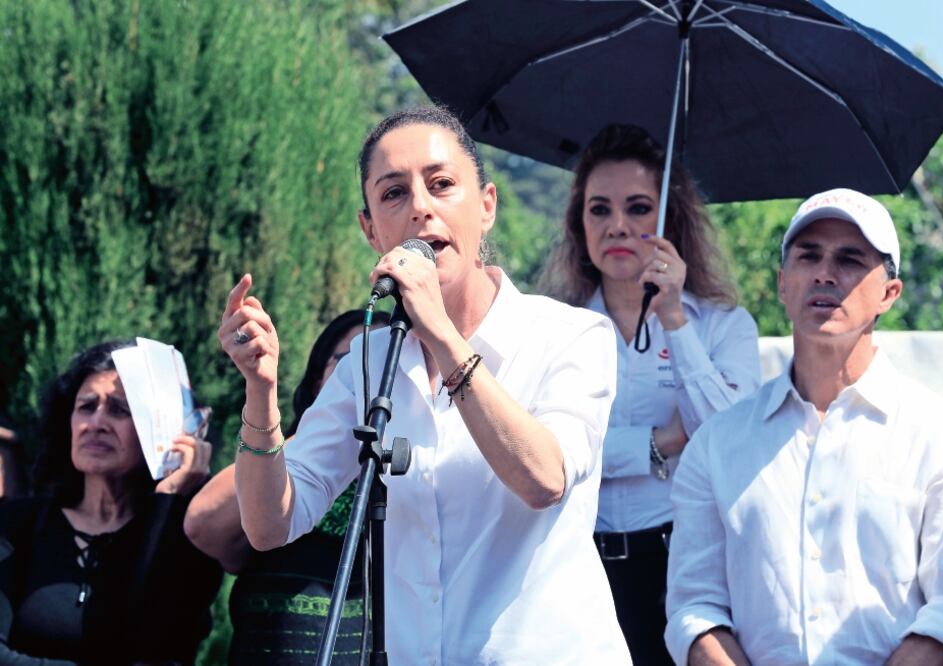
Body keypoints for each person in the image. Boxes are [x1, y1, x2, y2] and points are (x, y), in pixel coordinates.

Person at [217, 106, 631, 664]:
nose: (420, 207)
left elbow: (543, 479)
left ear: (486, 206)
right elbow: (271, 525)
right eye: (393, 193)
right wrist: (260, 391)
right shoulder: (369, 361)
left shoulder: (571, 335)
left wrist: (439, 329)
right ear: (371, 230)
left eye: (441, 185)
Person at [665, 188, 943, 665]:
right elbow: (694, 608)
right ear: (783, 284)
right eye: (809, 256)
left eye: (849, 259)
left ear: (889, 293)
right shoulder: (717, 444)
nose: (825, 273)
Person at [538, 124, 761, 664]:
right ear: (579, 224)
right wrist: (662, 442)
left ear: (670, 222)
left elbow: (733, 441)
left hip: (688, 569)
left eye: (638, 208)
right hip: (576, 569)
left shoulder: (723, 325)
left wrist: (675, 319)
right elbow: (550, 456)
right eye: (599, 209)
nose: (617, 225)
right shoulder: (552, 329)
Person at [184, 308, 391, 664]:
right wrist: (326, 437)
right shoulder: (276, 463)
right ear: (318, 381)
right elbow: (204, 524)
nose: (366, 373)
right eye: (348, 360)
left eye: (385, 362)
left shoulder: (416, 473)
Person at [0, 340, 222, 664]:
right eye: (86, 407)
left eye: (120, 410)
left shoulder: (189, 539)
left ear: (164, 431)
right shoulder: (15, 524)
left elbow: (161, 649)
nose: (96, 423)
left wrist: (169, 501)